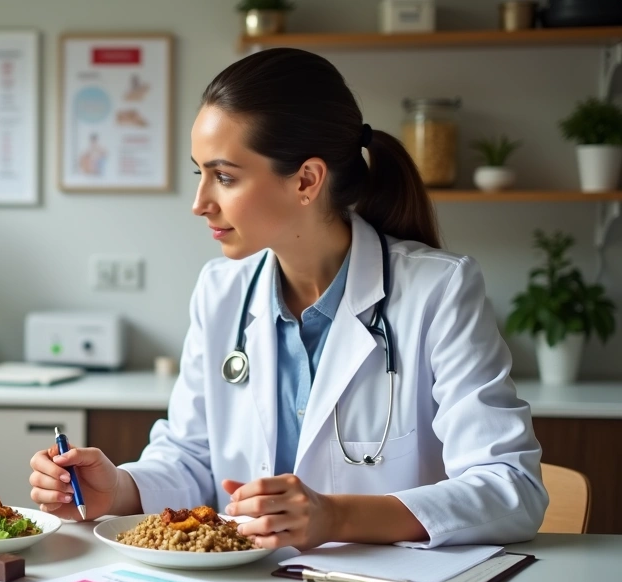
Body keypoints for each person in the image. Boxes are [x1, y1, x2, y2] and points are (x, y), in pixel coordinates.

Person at [29, 48, 547, 550]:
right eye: (200, 172)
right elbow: (190, 457)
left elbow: (512, 488)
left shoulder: (439, 290)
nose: (200, 203)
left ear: (306, 180)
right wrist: (116, 488)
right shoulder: (221, 291)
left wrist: (335, 516)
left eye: (225, 176)